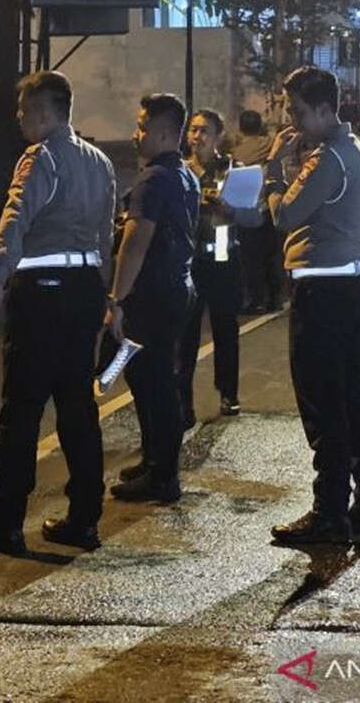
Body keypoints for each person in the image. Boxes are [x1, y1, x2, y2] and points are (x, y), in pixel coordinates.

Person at [0, 70, 116, 555]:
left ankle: (7, 523)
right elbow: (105, 237)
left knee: (22, 411)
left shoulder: (40, 158)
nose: (19, 119)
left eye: (25, 110)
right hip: (83, 290)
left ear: (46, 112)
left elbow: (15, 217)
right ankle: (85, 519)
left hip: (41, 294)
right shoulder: (100, 162)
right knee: (77, 407)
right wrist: (104, 293)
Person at [263, 66, 360, 545]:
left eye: (296, 111)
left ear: (322, 108)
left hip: (325, 295)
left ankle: (330, 510)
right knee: (355, 398)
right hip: (351, 287)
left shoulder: (330, 158)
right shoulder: (354, 151)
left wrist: (275, 169)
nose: (290, 121)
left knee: (323, 403)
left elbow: (283, 215)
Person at [104, 94, 199, 503]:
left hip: (152, 294)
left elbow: (136, 242)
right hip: (177, 289)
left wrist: (116, 300)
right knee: (153, 380)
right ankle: (155, 463)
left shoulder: (153, 179)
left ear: (163, 132)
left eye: (142, 126)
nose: (135, 133)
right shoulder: (186, 176)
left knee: (153, 382)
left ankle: (162, 475)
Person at [176, 109, 262, 427]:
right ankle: (182, 403)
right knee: (185, 336)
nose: (197, 136)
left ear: (218, 136)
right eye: (194, 130)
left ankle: (228, 393)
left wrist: (232, 210)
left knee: (226, 331)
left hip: (224, 263)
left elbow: (256, 218)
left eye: (204, 131)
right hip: (189, 264)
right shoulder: (180, 172)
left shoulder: (234, 172)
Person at [233, 110, 285, 313]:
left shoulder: (237, 153)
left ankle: (255, 299)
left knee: (249, 259)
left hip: (245, 211)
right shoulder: (269, 144)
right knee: (270, 255)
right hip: (266, 209)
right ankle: (275, 296)